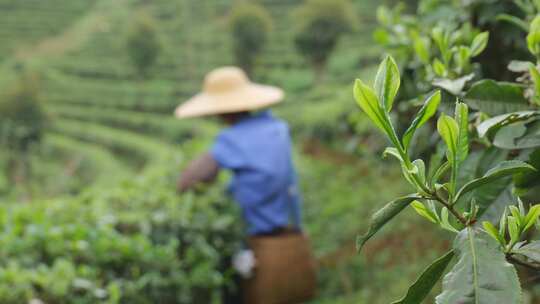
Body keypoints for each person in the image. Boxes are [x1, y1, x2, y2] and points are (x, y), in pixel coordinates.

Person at [174, 66, 316, 304]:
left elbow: (188, 181)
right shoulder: (276, 129)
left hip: (259, 243)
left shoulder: (231, 140)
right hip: (292, 234)